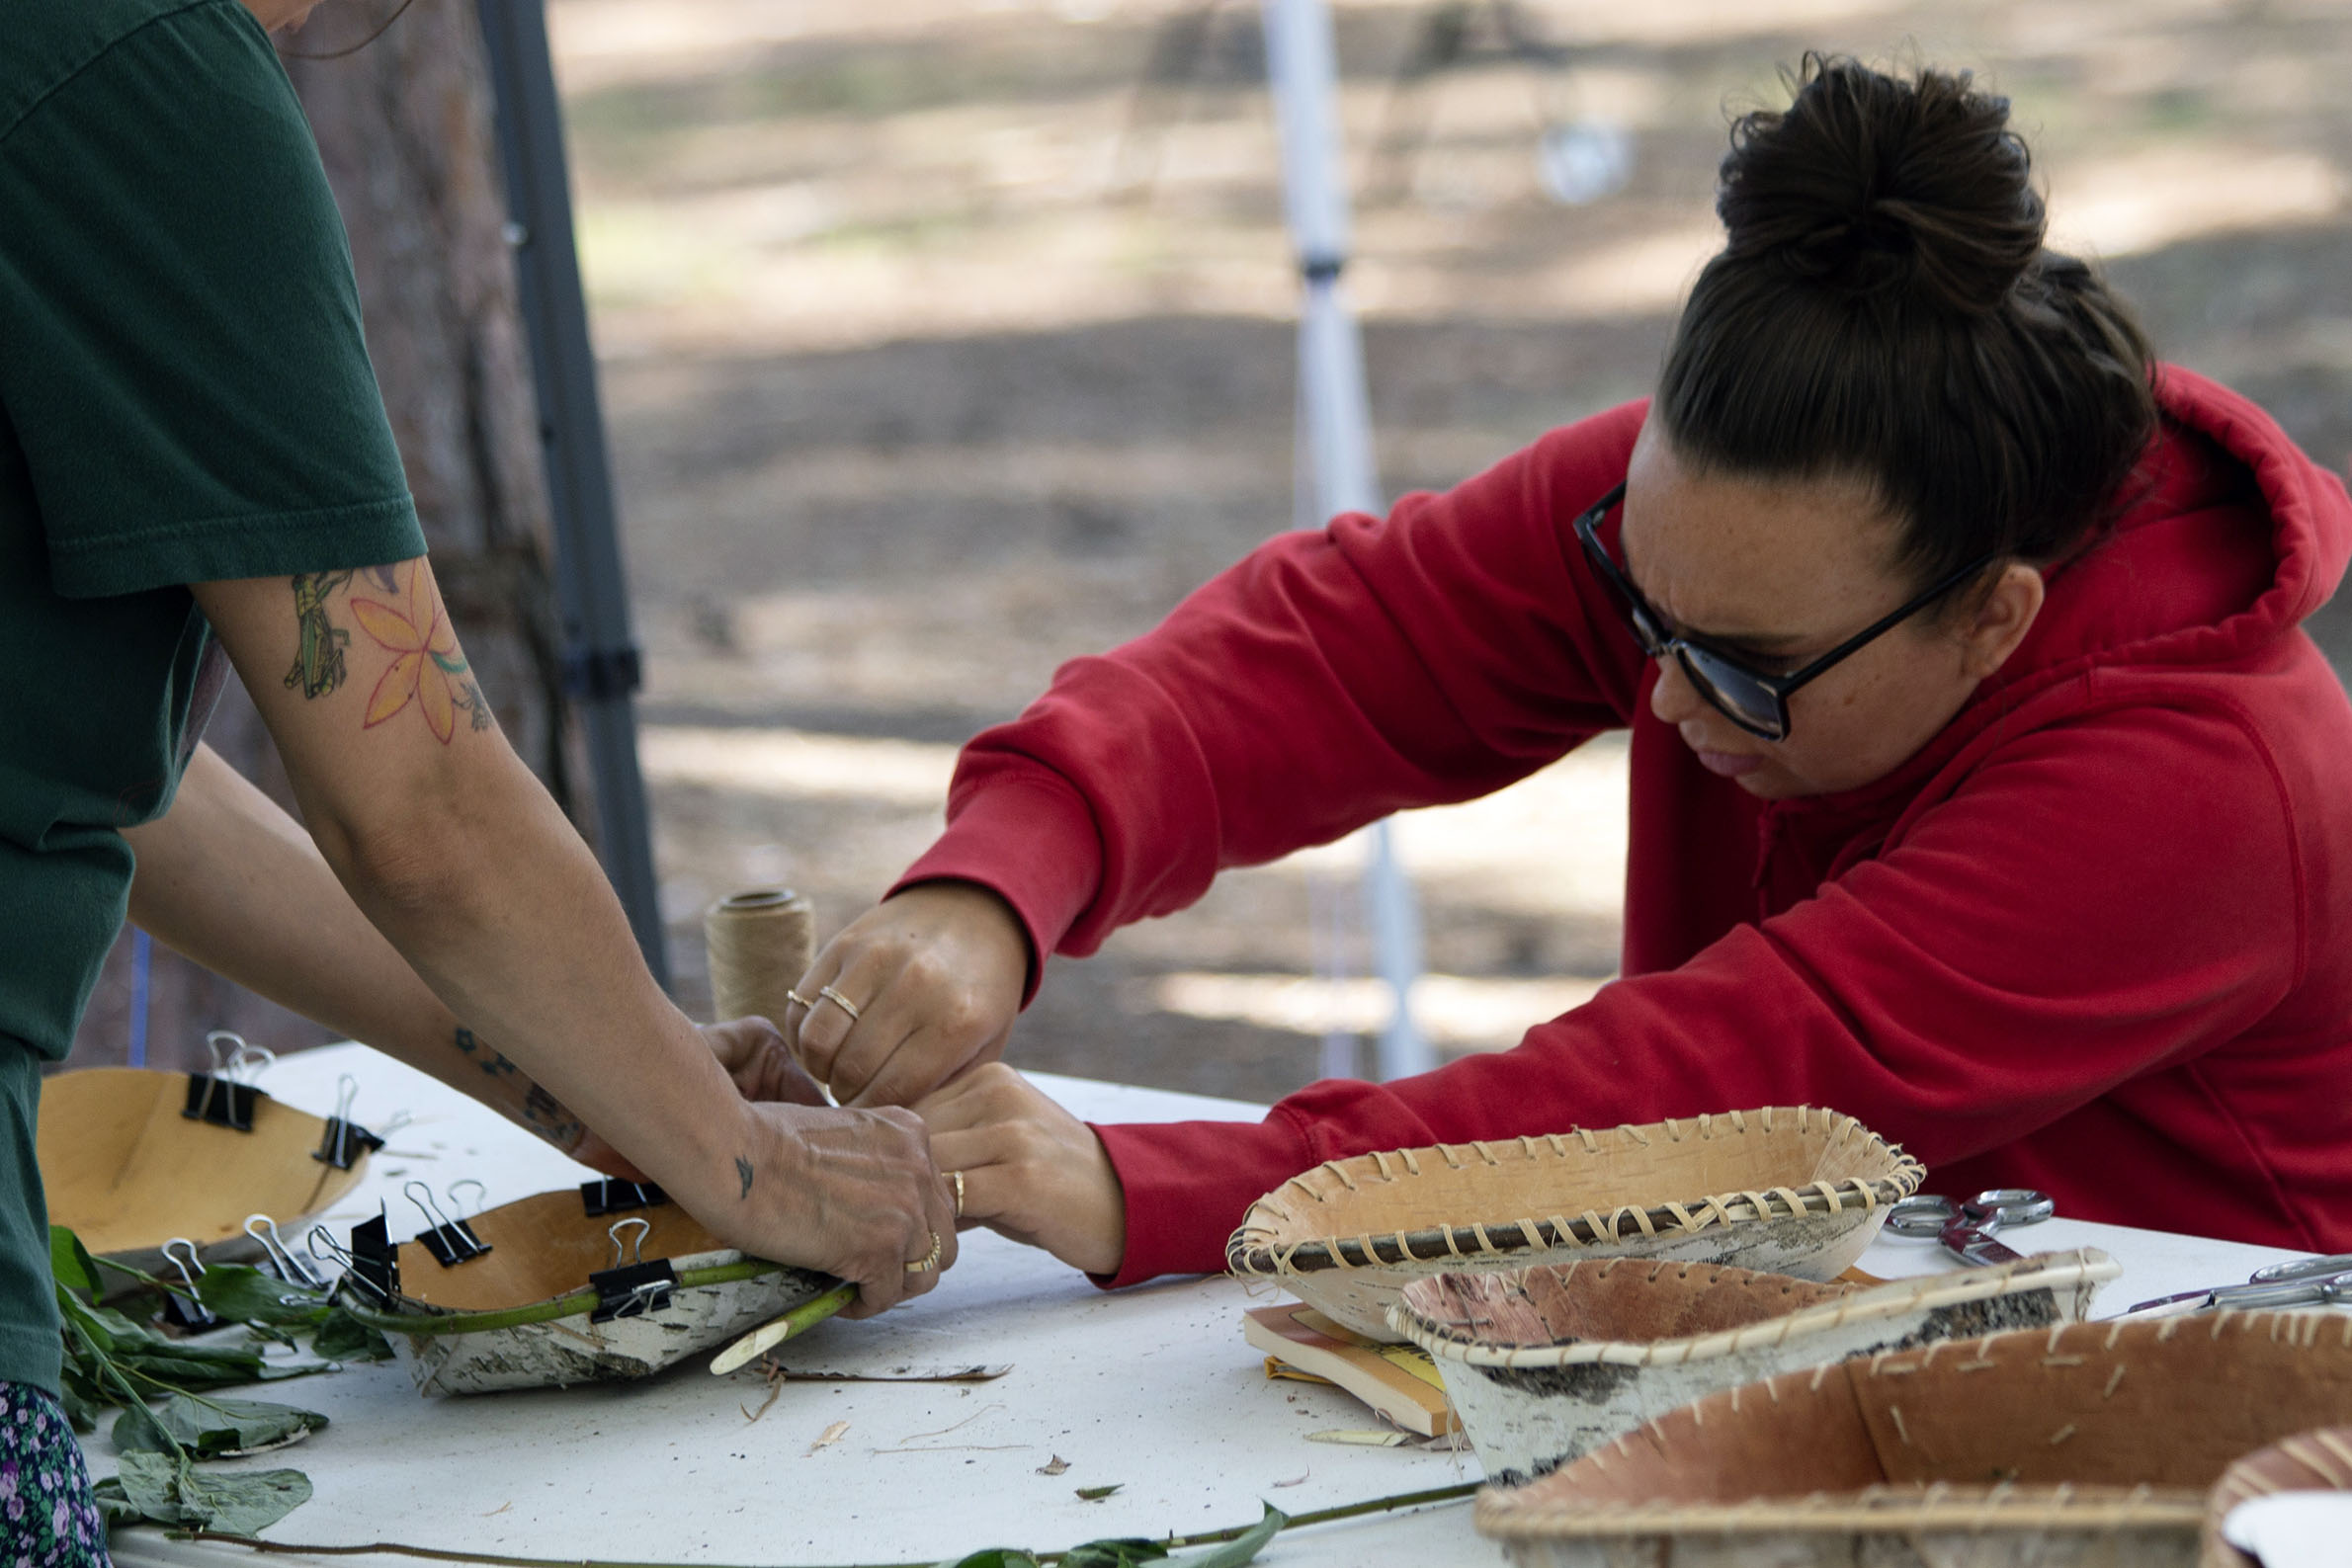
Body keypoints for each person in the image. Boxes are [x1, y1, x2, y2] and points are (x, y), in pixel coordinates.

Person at [784, 56, 2352, 1286]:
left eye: (1749, 670)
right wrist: (999, 880)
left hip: (2219, 1430)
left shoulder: (2208, 788)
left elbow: (1711, 1106)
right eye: (1637, 606)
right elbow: (1345, 650)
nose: (1666, 698)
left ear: (1993, 619)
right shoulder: (1731, 538)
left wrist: (1152, 1185)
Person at [2, 0, 951, 1552]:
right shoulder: (149, 63)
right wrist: (755, 1170)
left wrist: (594, 1073)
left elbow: (122, 790)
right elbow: (424, 808)